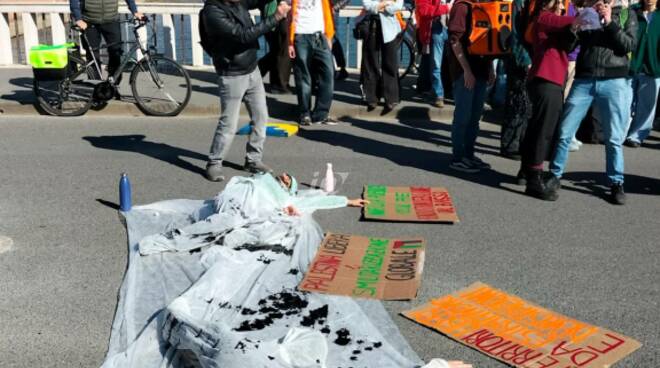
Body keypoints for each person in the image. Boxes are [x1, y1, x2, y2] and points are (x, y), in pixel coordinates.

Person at [545, 0, 638, 204]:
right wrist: (574, 26)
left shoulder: (626, 14)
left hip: (615, 81)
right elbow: (569, 46)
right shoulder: (587, 12)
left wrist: (609, 23)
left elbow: (629, 45)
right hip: (584, 80)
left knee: (614, 137)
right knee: (565, 131)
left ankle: (616, 182)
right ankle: (554, 175)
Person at [200, 0, 291, 182]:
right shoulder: (212, 12)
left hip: (252, 69)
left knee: (261, 117)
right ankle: (214, 163)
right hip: (232, 74)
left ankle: (253, 160)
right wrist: (276, 17)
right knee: (228, 124)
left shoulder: (236, 2)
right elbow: (243, 35)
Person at [518, 0, 581, 199]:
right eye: (560, 4)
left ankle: (526, 170)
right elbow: (557, 20)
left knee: (537, 128)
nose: (563, 8)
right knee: (543, 130)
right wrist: (579, 18)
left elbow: (570, 45)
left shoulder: (557, 22)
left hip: (552, 79)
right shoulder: (544, 17)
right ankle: (534, 178)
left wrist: (576, 27)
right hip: (546, 78)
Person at [447, 0, 495, 173]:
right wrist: (466, 70)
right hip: (465, 71)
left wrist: (489, 68)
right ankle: (458, 157)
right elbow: (454, 41)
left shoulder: (482, 6)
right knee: (463, 116)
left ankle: (469, 154)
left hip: (481, 69)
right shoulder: (462, 6)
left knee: (475, 117)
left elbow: (488, 37)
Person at [69, 0, 143, 86]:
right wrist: (78, 19)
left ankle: (112, 85)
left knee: (116, 52)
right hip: (89, 21)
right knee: (92, 56)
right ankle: (95, 88)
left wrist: (135, 11)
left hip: (111, 20)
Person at [289, 0, 339, 125]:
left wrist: (329, 35)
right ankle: (305, 113)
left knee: (328, 73)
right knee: (303, 77)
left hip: (320, 36)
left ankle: (321, 114)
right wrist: (289, 43)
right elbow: (287, 12)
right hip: (300, 35)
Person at [500, 0, 532, 163]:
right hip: (518, 61)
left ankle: (516, 143)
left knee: (520, 104)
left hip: (519, 59)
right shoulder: (518, 5)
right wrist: (525, 60)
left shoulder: (522, 4)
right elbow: (515, 35)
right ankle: (510, 145)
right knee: (517, 104)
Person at [625, 0, 659, 147]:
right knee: (624, 103)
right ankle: (620, 133)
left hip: (654, 67)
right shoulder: (633, 11)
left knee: (647, 105)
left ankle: (636, 136)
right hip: (631, 65)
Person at [361, 0, 404, 112]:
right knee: (371, 62)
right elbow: (367, 5)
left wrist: (380, 7)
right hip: (371, 25)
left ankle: (391, 98)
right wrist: (386, 3)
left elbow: (398, 6)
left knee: (390, 62)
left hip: (390, 28)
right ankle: (371, 97)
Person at [415, 0, 451, 107]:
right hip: (436, 28)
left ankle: (443, 91)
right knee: (436, 64)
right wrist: (445, 8)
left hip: (452, 28)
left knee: (449, 64)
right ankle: (438, 95)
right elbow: (423, 10)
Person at [258, 0, 294, 95]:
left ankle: (255, 74)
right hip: (277, 16)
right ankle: (279, 84)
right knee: (282, 51)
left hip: (277, 16)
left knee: (277, 51)